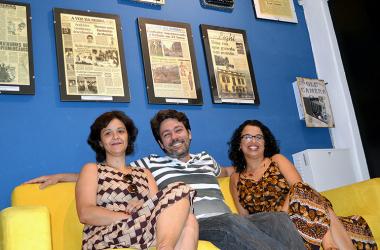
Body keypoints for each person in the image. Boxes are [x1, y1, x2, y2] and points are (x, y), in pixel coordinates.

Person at [25, 110, 305, 250]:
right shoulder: (150, 164)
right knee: (219, 215)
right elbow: (108, 173)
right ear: (160, 142)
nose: (174, 136)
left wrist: (268, 162)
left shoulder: (206, 159)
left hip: (231, 219)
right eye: (167, 134)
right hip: (201, 222)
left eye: (178, 130)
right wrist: (63, 176)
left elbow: (234, 171)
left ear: (189, 134)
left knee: (276, 219)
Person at [228, 119, 378, 250]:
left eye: (258, 137)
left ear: (265, 143)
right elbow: (244, 217)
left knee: (301, 188)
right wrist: (274, 221)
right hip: (271, 225)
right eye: (247, 137)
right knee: (326, 212)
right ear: (239, 144)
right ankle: (328, 242)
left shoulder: (277, 160)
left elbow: (298, 186)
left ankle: (328, 244)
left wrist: (283, 214)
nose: (253, 141)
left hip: (298, 213)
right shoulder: (235, 178)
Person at [75, 111, 198, 249]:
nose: (115, 137)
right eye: (108, 133)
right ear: (100, 142)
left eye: (121, 131)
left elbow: (158, 209)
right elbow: (85, 213)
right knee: (180, 188)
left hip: (142, 232)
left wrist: (143, 207)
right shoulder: (92, 169)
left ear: (128, 137)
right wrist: (131, 217)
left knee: (190, 220)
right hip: (107, 234)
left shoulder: (144, 173)